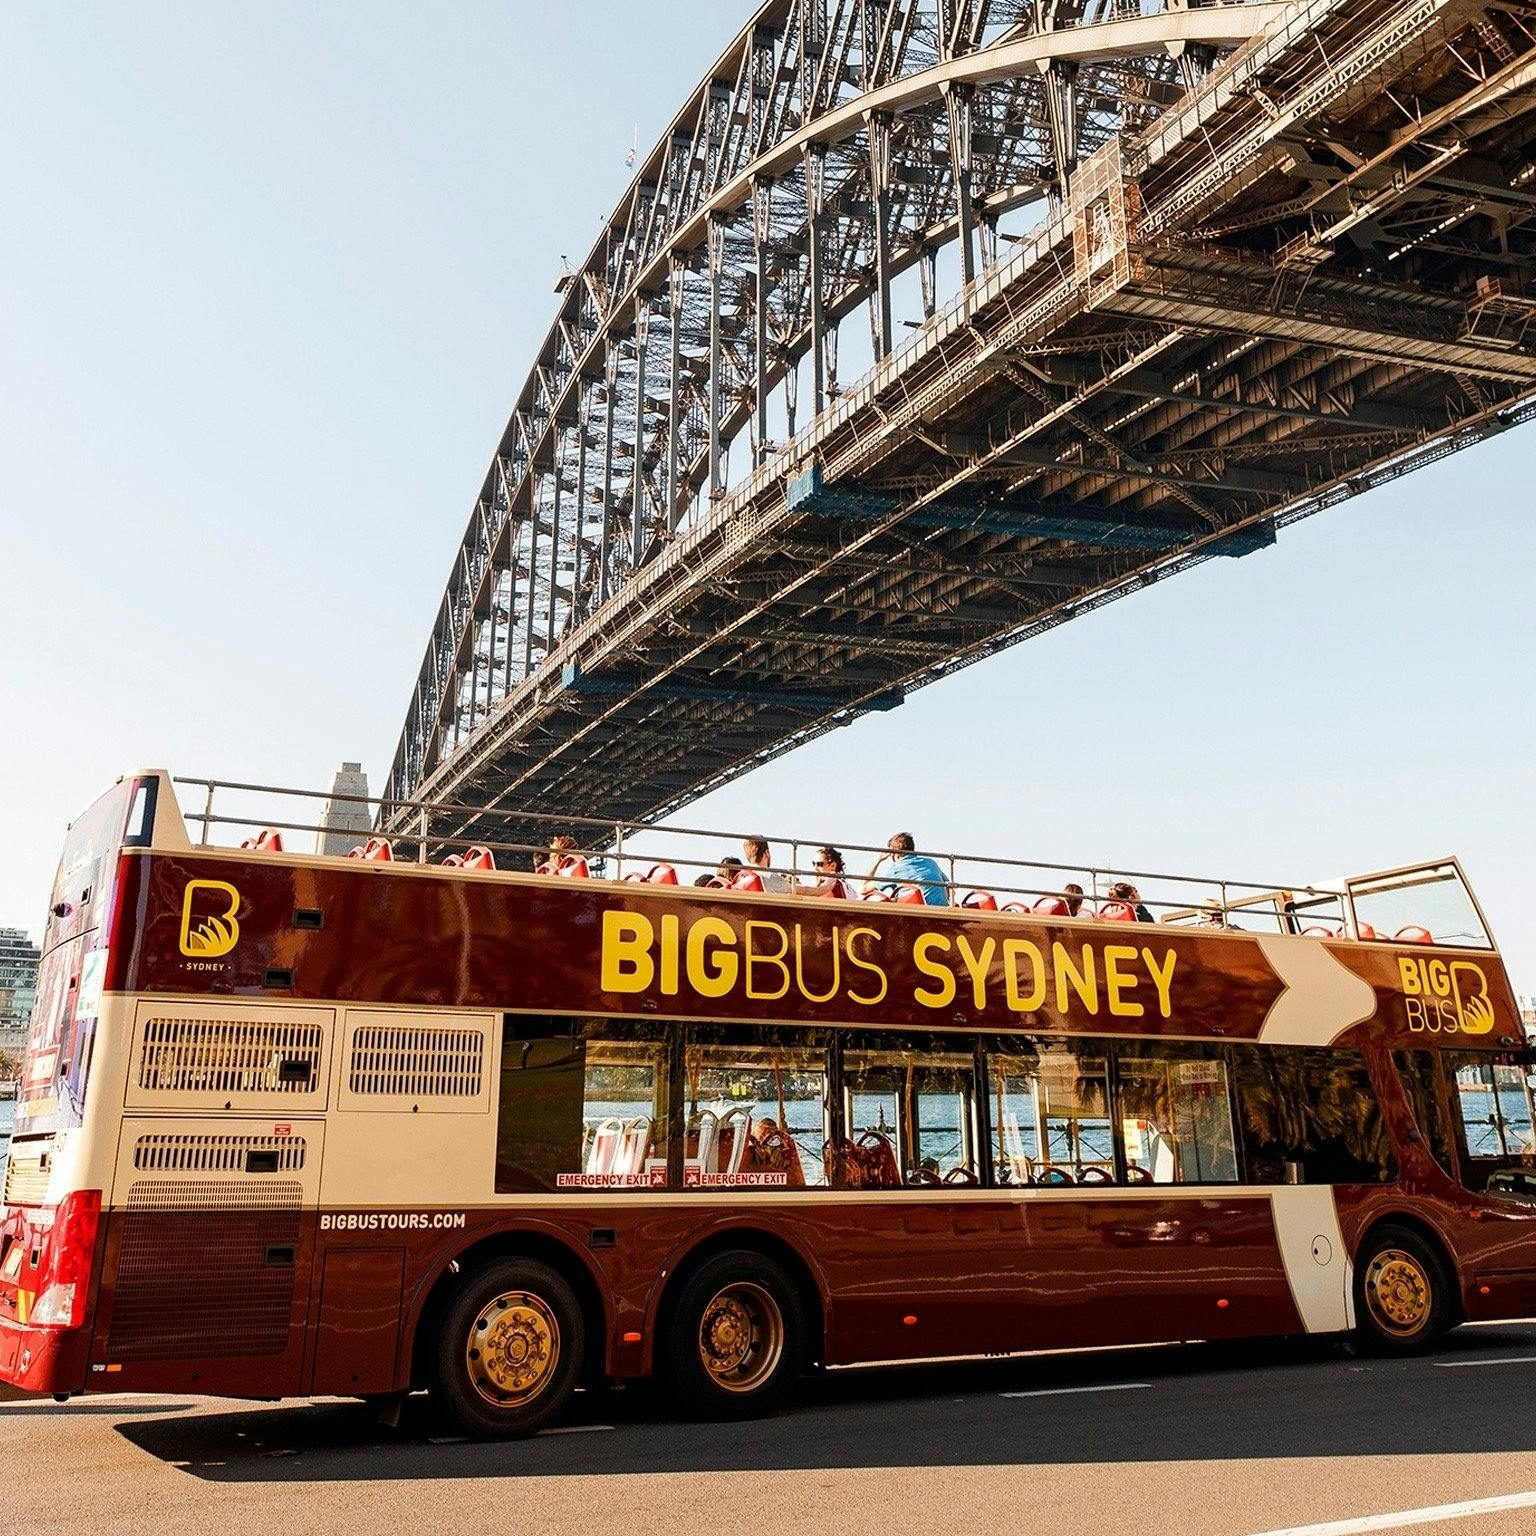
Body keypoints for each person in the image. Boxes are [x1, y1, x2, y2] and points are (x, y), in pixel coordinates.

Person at [865, 832, 950, 906]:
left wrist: (877, 861)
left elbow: (864, 889)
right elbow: (948, 884)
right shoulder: (931, 863)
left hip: (917, 916)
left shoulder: (896, 869)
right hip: (941, 912)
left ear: (895, 853)